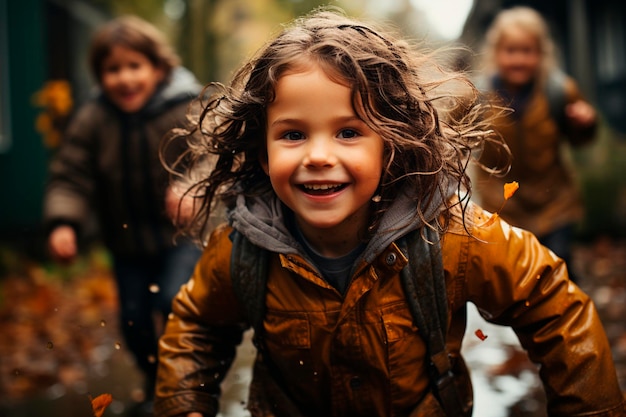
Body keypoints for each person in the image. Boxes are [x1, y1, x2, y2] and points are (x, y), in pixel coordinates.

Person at [154, 9, 625, 417]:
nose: (318, 155)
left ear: (390, 146)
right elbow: (197, 325)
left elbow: (554, 304)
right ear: (262, 153)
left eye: (348, 133)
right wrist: (186, 403)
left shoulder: (451, 235)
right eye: (293, 135)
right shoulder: (243, 250)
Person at [43, 15, 203, 416]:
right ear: (100, 75)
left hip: (180, 239)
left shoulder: (185, 107)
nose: (125, 78)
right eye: (113, 69)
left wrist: (190, 186)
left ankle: (185, 387)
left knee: (173, 302)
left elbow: (212, 156)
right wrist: (64, 222)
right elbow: (71, 175)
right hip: (127, 245)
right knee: (132, 322)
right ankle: (154, 385)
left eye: (135, 66)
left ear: (158, 68)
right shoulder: (94, 119)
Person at [473, 6, 598, 280]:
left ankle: (568, 321)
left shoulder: (559, 91)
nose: (519, 59)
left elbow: (580, 141)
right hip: (503, 209)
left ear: (541, 54)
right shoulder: (477, 97)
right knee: (515, 281)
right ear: (496, 53)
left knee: (558, 274)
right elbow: (452, 136)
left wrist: (585, 124)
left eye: (527, 51)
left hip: (555, 205)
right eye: (511, 51)